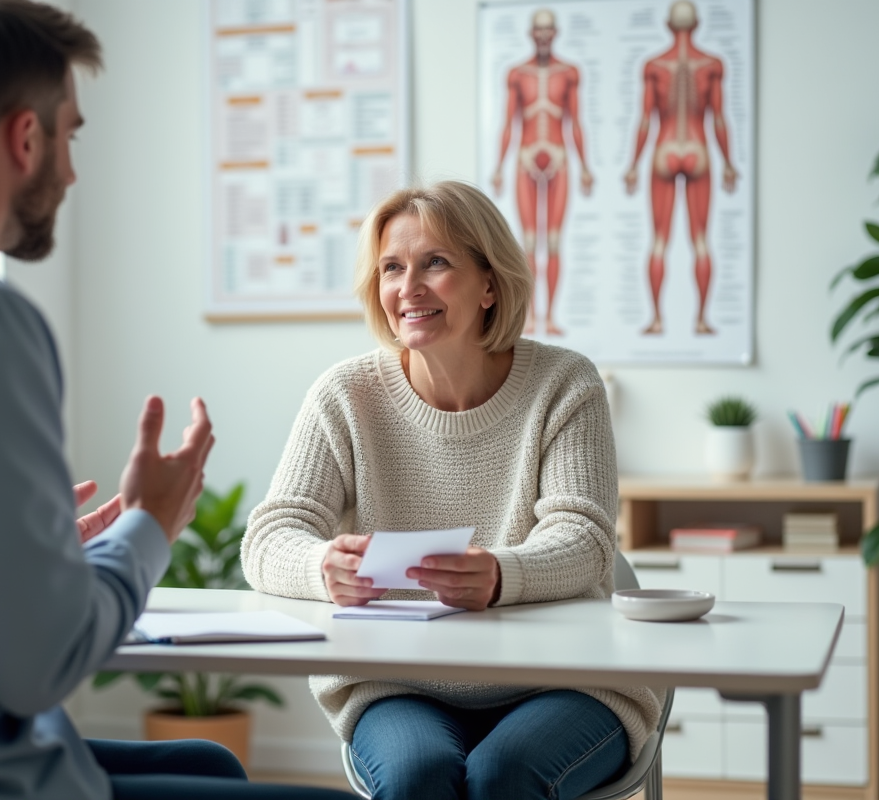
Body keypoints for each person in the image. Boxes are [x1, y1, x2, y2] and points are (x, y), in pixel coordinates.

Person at [0, 2, 352, 800]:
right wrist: (148, 525)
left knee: (209, 763)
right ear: (25, 137)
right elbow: (36, 664)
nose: (74, 171)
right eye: (71, 135)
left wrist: (42, 558)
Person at [242, 181, 664, 800]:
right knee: (418, 776)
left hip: (564, 680)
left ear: (490, 284)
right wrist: (319, 565)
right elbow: (269, 537)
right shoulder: (345, 395)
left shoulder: (565, 385)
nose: (407, 287)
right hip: (399, 684)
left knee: (503, 774)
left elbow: (585, 541)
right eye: (392, 268)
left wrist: (500, 575)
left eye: (435, 263)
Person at [623, 0, 738, 336]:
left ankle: (657, 320)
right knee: (700, 241)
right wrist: (728, 162)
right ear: (697, 24)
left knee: (659, 241)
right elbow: (718, 118)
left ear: (669, 25)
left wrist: (633, 164)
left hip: (665, 148)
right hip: (699, 148)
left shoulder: (655, 64)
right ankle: (700, 320)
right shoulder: (712, 64)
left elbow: (645, 119)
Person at [490, 8, 593, 337]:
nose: (544, 36)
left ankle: (550, 318)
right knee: (530, 242)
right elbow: (509, 122)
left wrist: (586, 166)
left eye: (549, 30)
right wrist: (499, 167)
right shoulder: (517, 73)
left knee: (553, 241)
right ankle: (534, 317)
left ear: (556, 33)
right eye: (539, 30)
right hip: (526, 160)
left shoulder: (570, 72)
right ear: (531, 34)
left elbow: (575, 121)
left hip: (559, 159)